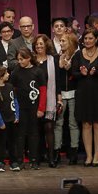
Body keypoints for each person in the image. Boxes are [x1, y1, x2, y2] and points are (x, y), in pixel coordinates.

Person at [72, 30, 98, 167]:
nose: (87, 41)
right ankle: (88, 156)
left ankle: (97, 155)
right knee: (86, 124)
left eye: (90, 38)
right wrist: (81, 73)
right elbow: (74, 73)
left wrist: (96, 72)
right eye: (85, 38)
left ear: (96, 39)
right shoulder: (78, 54)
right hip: (83, 93)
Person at [10, 47, 47, 170]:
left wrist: (41, 108)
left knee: (34, 134)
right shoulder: (16, 72)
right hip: (21, 108)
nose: (19, 62)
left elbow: (43, 90)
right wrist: (15, 109)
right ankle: (20, 160)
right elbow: (12, 90)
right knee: (20, 134)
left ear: (29, 58)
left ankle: (34, 159)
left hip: (34, 107)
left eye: (22, 59)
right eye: (18, 59)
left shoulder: (38, 71)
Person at [55, 33, 80, 165]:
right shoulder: (57, 56)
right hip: (61, 94)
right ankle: (57, 151)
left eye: (64, 41)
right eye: (61, 41)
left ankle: (74, 151)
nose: (61, 43)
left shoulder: (77, 56)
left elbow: (76, 75)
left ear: (70, 42)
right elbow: (56, 78)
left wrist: (68, 67)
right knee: (58, 123)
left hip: (74, 93)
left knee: (73, 123)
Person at [33, 34, 58, 166]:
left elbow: (57, 80)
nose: (39, 46)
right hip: (34, 98)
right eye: (37, 44)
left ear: (46, 45)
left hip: (49, 98)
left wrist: (58, 98)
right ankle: (37, 157)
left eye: (41, 44)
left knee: (49, 127)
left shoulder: (52, 60)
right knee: (36, 129)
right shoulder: (32, 60)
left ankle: (51, 157)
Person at [0, 66, 17, 172]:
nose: (8, 75)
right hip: (2, 121)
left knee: (12, 141)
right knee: (1, 142)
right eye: (6, 73)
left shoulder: (10, 87)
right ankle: (0, 162)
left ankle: (13, 161)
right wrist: (0, 122)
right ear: (0, 77)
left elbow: (15, 102)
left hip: (12, 119)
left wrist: (17, 115)